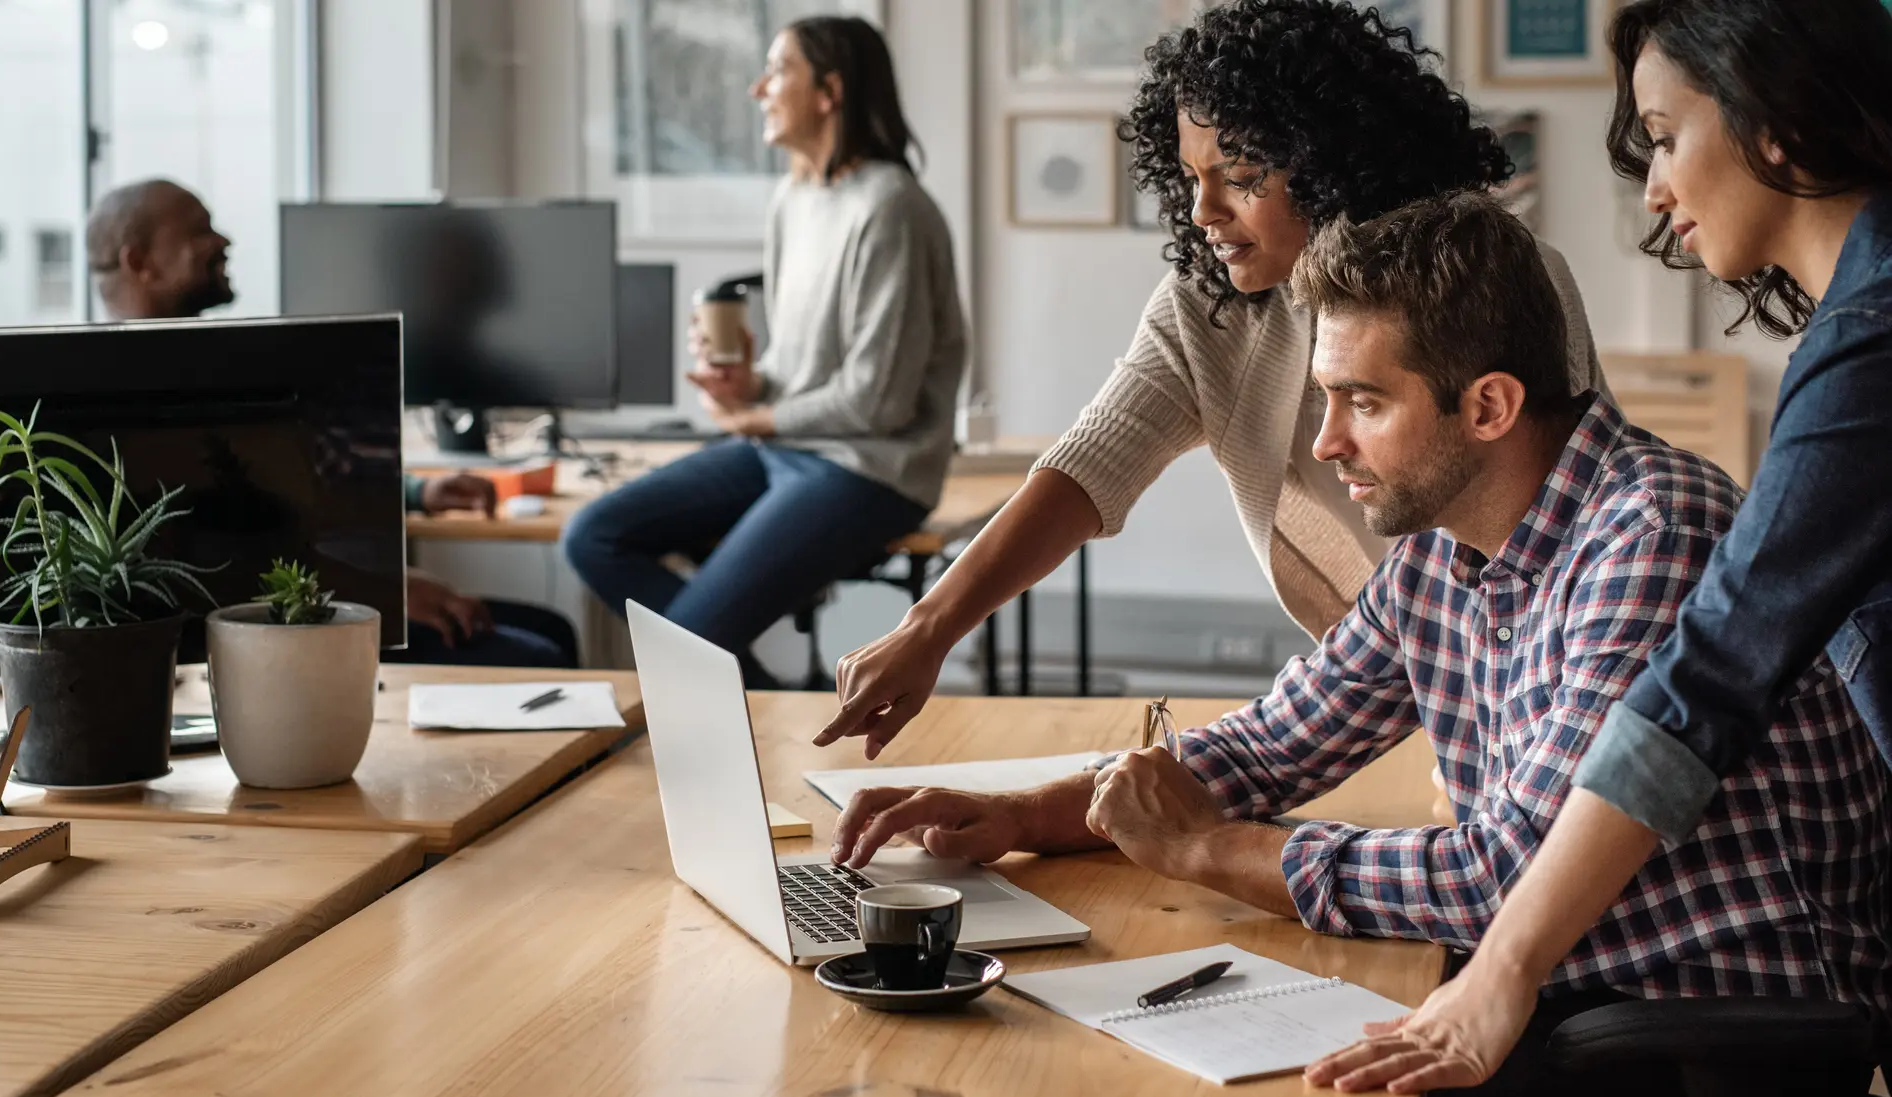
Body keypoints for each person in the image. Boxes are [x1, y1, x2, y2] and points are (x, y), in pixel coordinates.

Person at [830, 193, 1892, 1097]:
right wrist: (1024, 813)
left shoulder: (1647, 532)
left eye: (1363, 404)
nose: (1327, 443)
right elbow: (1272, 742)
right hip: (1562, 995)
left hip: (1695, 1039)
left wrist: (1209, 850)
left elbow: (1500, 876)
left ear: (1487, 406)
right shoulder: (1443, 543)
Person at [1305, 0, 1892, 1097]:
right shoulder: (1853, 325)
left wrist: (1505, 967)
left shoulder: (1873, 341)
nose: (1657, 189)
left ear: (1778, 121)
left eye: (1667, 135)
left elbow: (1711, 676)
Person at [815, 0, 1607, 757]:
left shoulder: (1493, 281)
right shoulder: (1211, 305)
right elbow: (1089, 465)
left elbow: (1562, 525)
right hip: (1367, 683)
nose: (1202, 211)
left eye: (1239, 175)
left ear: (1333, 160)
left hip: (1533, 677)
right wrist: (928, 630)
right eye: (1191, 177)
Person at [560, 15, 966, 690]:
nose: (758, 88)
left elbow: (878, 399)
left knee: (688, 641)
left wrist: (757, 419)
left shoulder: (892, 208)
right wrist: (750, 384)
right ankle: (766, 705)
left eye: (778, 70)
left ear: (829, 91)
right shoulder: (793, 199)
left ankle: (749, 708)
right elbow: (801, 372)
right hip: (788, 451)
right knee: (593, 535)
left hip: (870, 470)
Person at [85, 180, 577, 668]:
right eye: (199, 232)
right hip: (268, 633)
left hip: (315, 594)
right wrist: (381, 594)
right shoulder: (130, 403)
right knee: (540, 653)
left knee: (551, 628)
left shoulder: (199, 372)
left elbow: (290, 487)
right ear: (139, 263)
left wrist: (417, 495)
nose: (224, 242)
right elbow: (224, 566)